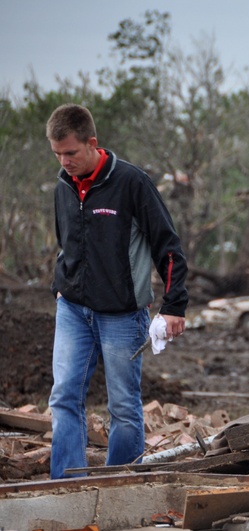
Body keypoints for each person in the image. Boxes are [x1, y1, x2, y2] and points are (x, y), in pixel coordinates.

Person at [46, 104, 188, 479]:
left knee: (123, 405)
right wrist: (59, 287)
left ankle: (118, 485)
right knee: (63, 398)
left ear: (92, 143)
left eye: (71, 153)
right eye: (58, 154)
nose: (65, 161)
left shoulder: (131, 182)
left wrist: (175, 306)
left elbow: (168, 246)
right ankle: (67, 486)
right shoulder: (63, 185)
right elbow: (67, 243)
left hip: (122, 315)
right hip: (73, 310)